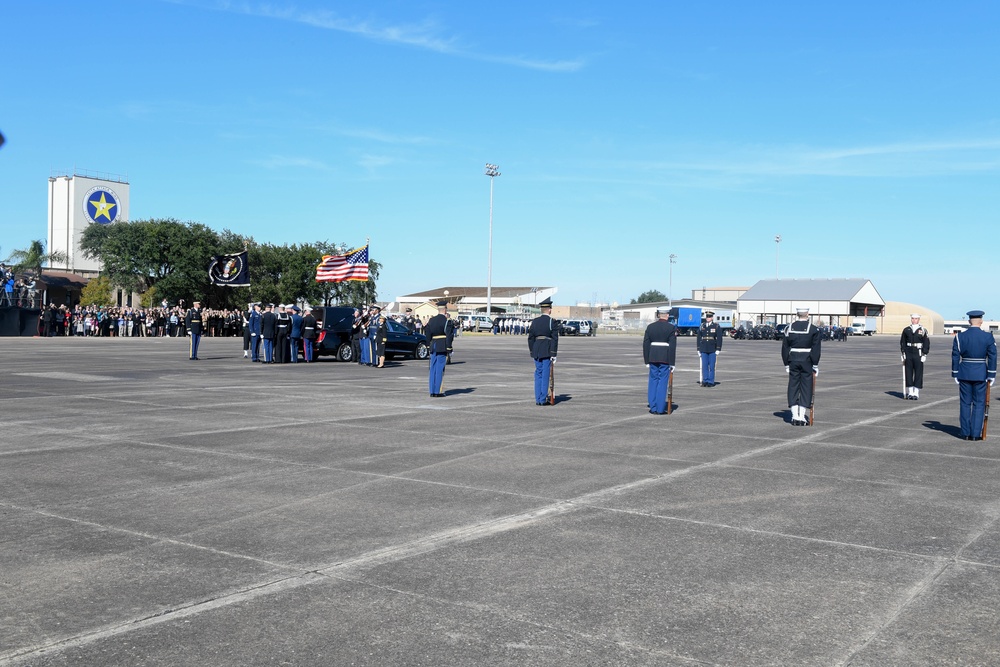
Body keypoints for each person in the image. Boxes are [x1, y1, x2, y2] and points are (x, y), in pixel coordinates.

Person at [952, 310, 997, 440]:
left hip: (964, 372)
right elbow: (992, 356)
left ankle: (965, 433)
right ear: (981, 321)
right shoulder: (987, 337)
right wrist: (991, 374)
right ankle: (975, 434)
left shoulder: (959, 337)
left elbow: (955, 356)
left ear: (969, 321)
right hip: (980, 373)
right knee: (979, 403)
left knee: (965, 403)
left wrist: (955, 373)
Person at [781, 307, 822, 426]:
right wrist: (815, 364)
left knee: (793, 386)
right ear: (807, 314)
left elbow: (785, 347)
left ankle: (795, 416)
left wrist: (786, 363)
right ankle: (801, 416)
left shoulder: (788, 328)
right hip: (807, 360)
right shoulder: (813, 329)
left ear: (797, 314)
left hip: (793, 359)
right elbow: (816, 349)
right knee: (806, 387)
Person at [643, 307, 677, 414]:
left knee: (653, 381)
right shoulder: (671, 327)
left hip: (652, 356)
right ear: (667, 315)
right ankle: (660, 408)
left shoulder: (650, 327)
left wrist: (646, 360)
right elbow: (672, 347)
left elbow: (646, 344)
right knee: (662, 382)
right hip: (664, 358)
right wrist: (672, 363)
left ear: (659, 315)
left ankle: (653, 407)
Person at [527, 298, 559, 405]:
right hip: (547, 350)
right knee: (545, 374)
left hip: (536, 350)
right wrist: (553, 354)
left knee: (538, 373)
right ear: (549, 310)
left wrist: (532, 351)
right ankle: (542, 399)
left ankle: (538, 399)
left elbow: (530, 338)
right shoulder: (552, 322)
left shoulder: (535, 321)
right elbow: (554, 339)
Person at [424, 300, 454, 396]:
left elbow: (427, 333)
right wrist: (449, 348)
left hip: (433, 345)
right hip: (442, 345)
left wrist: (428, 345)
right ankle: (437, 391)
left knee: (432, 368)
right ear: (445, 310)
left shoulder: (431, 320)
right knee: (439, 368)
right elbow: (449, 335)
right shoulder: (447, 321)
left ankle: (432, 391)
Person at [900, 313, 930, 400]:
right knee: (908, 372)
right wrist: (903, 353)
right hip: (909, 352)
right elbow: (903, 342)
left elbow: (926, 342)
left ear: (919, 319)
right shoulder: (906, 330)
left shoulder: (923, 330)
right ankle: (910, 392)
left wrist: (925, 354)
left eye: (916, 318)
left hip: (918, 352)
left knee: (918, 372)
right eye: (913, 318)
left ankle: (916, 392)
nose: (914, 320)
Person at [697, 310, 724, 387]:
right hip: (704, 348)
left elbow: (719, 338)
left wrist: (718, 349)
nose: (708, 318)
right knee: (704, 366)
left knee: (712, 366)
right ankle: (705, 380)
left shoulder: (716, 326)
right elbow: (699, 337)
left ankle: (711, 381)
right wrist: (698, 349)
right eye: (707, 316)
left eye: (709, 317)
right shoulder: (702, 326)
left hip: (712, 348)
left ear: (712, 318)